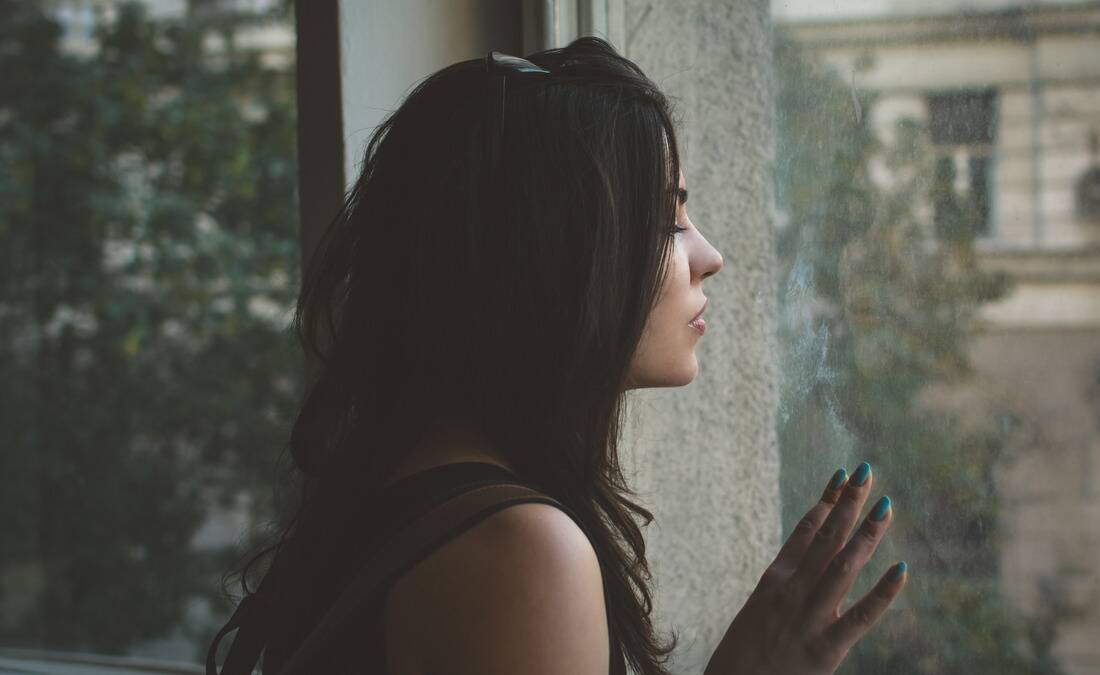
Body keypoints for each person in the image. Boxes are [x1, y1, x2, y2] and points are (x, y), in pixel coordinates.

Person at [224, 36, 905, 675]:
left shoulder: (399, 481)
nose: (711, 257)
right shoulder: (518, 550)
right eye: (669, 219)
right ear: (556, 255)